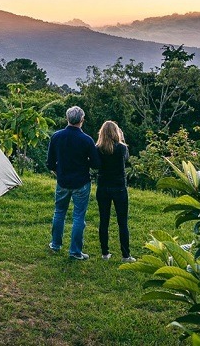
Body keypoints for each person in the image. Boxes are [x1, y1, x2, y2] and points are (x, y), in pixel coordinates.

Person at [47, 106, 100, 260]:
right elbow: (96, 163)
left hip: (63, 181)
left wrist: (59, 173)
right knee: (78, 217)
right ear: (82, 120)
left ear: (67, 118)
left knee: (59, 212)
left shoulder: (56, 137)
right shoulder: (87, 140)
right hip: (81, 183)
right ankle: (75, 251)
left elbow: (50, 163)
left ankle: (55, 244)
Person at [96, 121, 136, 263]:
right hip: (119, 187)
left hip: (102, 187)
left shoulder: (98, 148)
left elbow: (95, 165)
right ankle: (126, 255)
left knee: (104, 220)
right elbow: (126, 160)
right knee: (122, 222)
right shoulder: (121, 148)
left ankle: (105, 253)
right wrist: (122, 139)